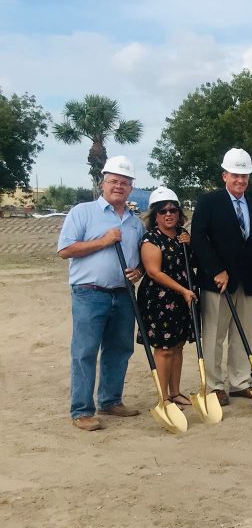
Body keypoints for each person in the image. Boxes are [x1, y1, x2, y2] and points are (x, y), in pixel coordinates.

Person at [57, 156, 146, 431]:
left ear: (131, 188)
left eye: (124, 182)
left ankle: (110, 400)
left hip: (123, 294)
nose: (118, 186)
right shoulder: (82, 212)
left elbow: (141, 257)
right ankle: (82, 410)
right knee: (85, 351)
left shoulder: (135, 222)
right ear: (102, 184)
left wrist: (139, 271)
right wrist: (104, 241)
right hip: (89, 293)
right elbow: (65, 250)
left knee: (120, 349)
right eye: (114, 181)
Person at [190, 148, 252, 407]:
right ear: (224, 175)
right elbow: (198, 239)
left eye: (245, 176)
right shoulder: (209, 202)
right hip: (218, 283)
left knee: (243, 333)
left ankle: (239, 382)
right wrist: (216, 270)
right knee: (214, 335)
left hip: (248, 282)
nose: (240, 180)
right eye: (235, 175)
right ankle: (214, 386)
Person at [135, 186, 197, 406]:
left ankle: (175, 392)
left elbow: (194, 262)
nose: (169, 214)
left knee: (178, 346)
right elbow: (154, 272)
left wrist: (191, 246)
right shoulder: (151, 239)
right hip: (160, 300)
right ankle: (163, 398)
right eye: (163, 211)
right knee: (164, 348)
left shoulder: (183, 236)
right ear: (155, 215)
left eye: (173, 210)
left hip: (183, 298)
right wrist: (182, 290)